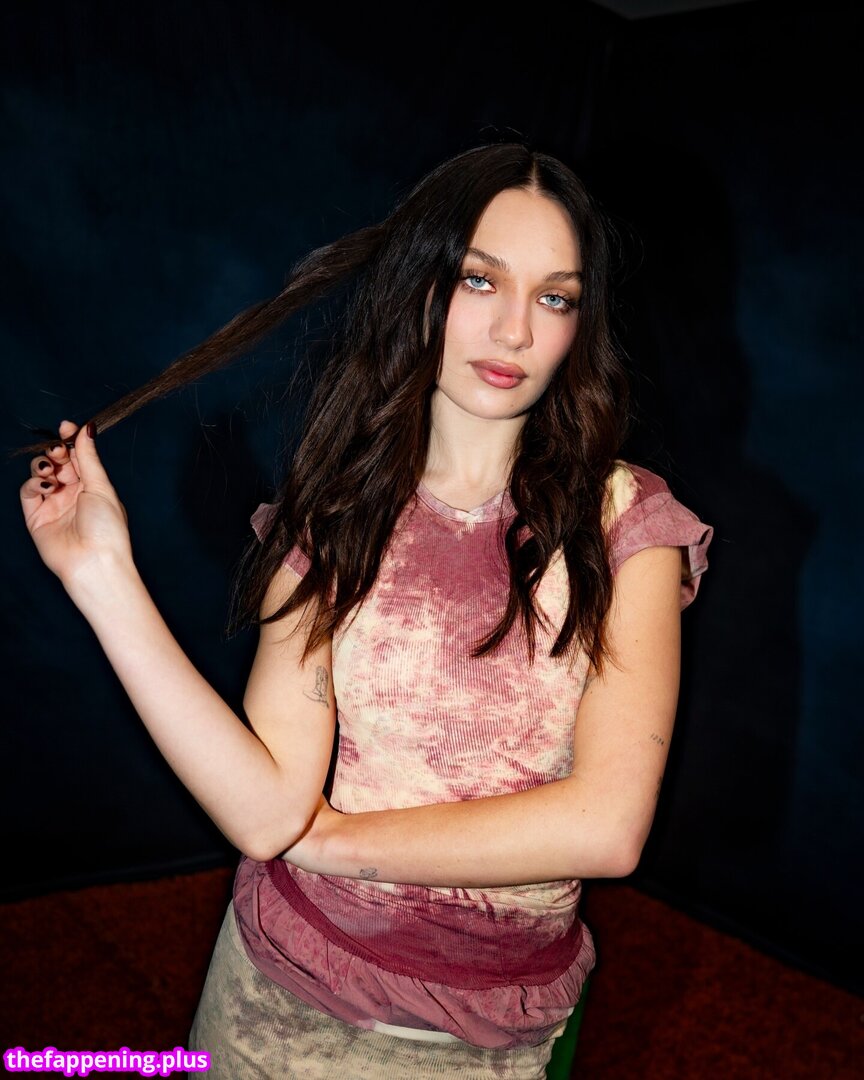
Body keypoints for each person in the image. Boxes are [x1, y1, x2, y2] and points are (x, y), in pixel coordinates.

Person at [18, 142, 712, 1078]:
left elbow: (608, 825)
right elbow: (265, 814)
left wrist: (333, 841)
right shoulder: (336, 516)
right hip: (266, 1011)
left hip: (476, 1049)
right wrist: (101, 577)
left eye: (555, 298)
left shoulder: (627, 522)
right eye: (479, 280)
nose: (514, 330)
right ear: (420, 286)